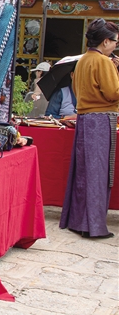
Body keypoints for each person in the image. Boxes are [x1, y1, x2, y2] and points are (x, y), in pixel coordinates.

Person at [61, 19, 119, 240]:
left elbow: (77, 90)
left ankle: (78, 221)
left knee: (84, 172)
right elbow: (113, 93)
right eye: (115, 42)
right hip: (101, 119)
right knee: (98, 174)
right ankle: (93, 225)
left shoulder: (82, 60)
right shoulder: (103, 61)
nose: (115, 45)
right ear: (106, 41)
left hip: (85, 118)